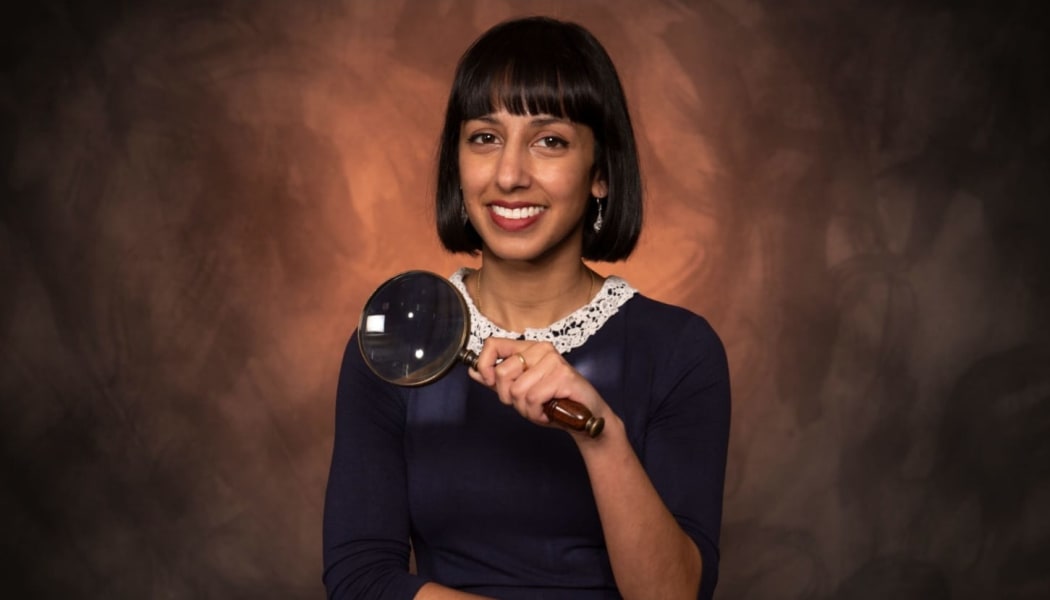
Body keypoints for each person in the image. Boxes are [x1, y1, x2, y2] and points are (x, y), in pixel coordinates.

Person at [323, 16, 730, 600]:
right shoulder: (396, 343)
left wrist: (600, 434)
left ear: (600, 174)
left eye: (550, 141)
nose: (510, 175)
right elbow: (360, 581)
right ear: (457, 163)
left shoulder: (680, 351)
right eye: (485, 138)